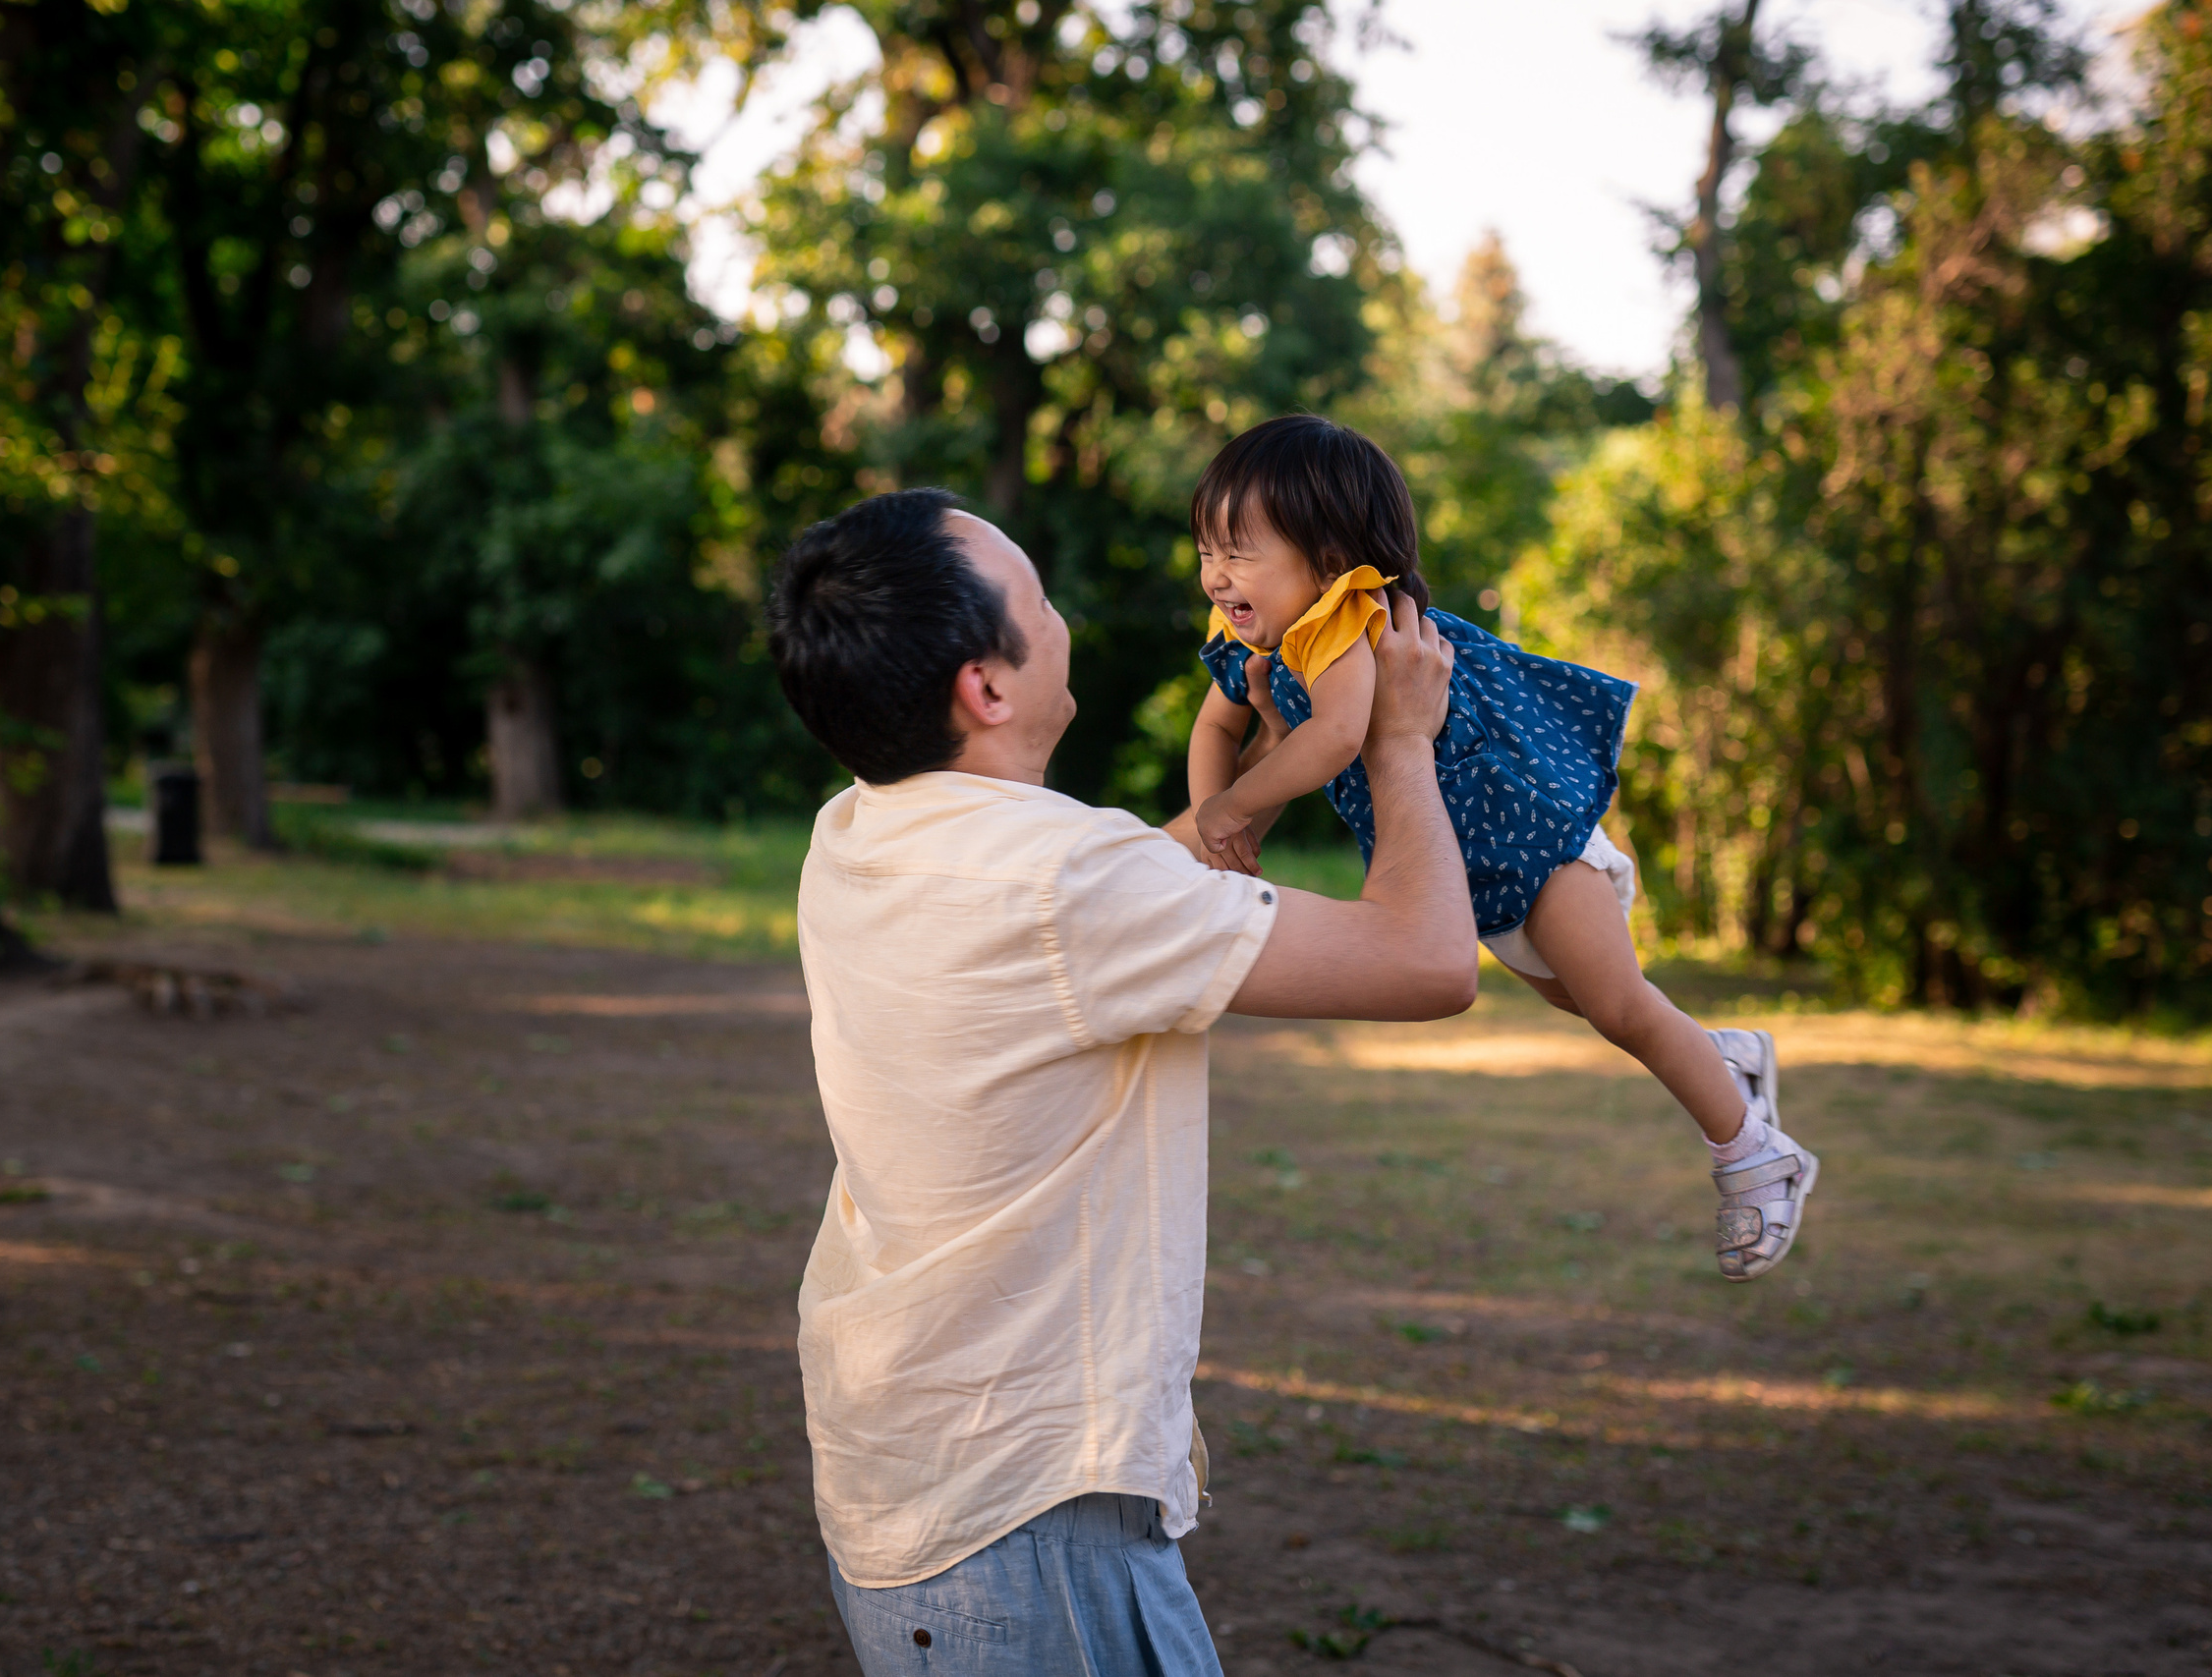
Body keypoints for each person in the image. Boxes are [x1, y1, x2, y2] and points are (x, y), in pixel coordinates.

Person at [764, 486, 1474, 1676]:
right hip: (1022, 1516)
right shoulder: (1064, 884)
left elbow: (1127, 883)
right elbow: (1426, 960)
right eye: (1038, 602)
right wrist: (1396, 739)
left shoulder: (859, 828)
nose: (1065, 617)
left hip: (917, 1460)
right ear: (984, 688)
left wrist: (1251, 777)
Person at [1181, 413, 1820, 1284]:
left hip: (1533, 835)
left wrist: (1232, 807)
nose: (1217, 575)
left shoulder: (1344, 622)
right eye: (1208, 550)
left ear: (1329, 559)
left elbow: (1331, 742)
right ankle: (1725, 1056)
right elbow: (1216, 724)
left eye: (1240, 551)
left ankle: (1756, 1153)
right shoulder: (1254, 634)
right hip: (1475, 869)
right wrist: (1211, 813)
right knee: (1588, 1005)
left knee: (1622, 1006)